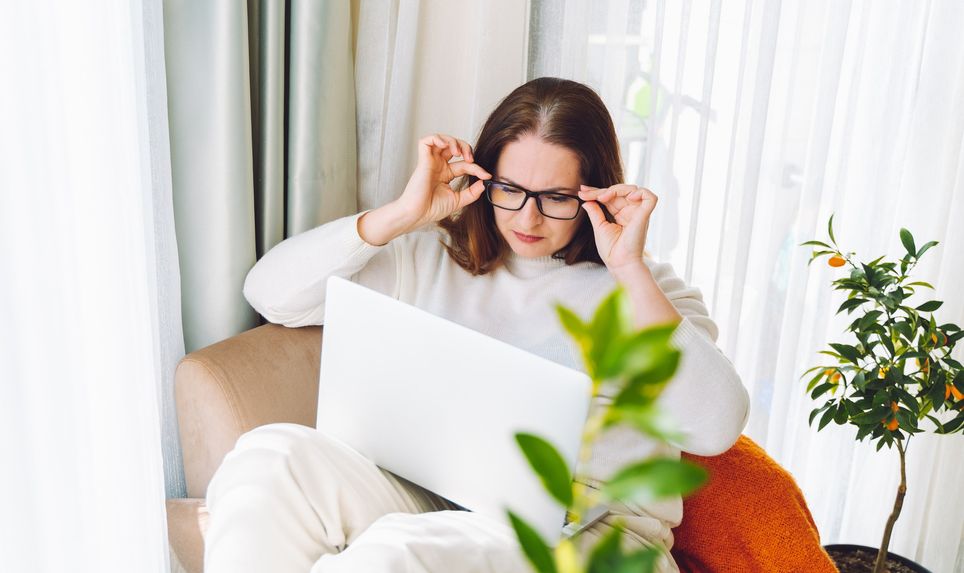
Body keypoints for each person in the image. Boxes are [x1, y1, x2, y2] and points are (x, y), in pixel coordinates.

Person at [203, 77, 750, 573]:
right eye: (509, 190)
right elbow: (271, 295)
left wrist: (628, 267)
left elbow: (717, 424)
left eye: (556, 198)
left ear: (594, 193)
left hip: (590, 535)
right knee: (271, 457)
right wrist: (402, 214)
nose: (526, 218)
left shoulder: (644, 289)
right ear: (485, 178)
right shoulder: (428, 258)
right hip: (435, 490)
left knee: (393, 553)